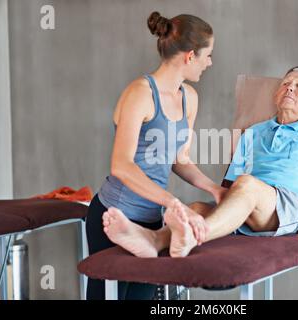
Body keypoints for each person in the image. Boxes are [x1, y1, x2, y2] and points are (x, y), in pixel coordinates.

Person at [102, 66, 298, 261]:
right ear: (276, 94)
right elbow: (232, 187)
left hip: (294, 208)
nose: (290, 89)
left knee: (247, 185)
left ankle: (195, 235)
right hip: (250, 205)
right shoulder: (253, 132)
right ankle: (152, 240)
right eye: (285, 84)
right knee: (198, 208)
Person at [86, 11, 227, 300]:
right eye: (208, 55)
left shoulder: (189, 98)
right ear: (190, 56)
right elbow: (122, 165)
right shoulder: (140, 94)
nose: (210, 62)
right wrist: (174, 203)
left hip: (150, 221)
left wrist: (213, 188)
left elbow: (179, 159)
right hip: (113, 216)